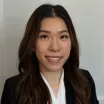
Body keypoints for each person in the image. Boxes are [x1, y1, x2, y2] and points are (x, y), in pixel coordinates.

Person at [1, 4, 99, 104]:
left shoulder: (84, 80)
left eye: (63, 36)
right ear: (32, 44)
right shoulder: (14, 88)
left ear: (71, 41)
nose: (55, 47)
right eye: (44, 37)